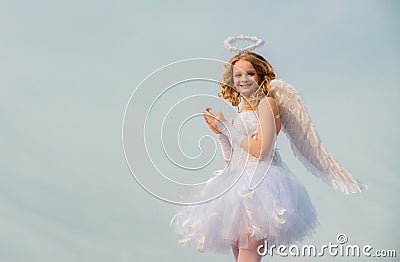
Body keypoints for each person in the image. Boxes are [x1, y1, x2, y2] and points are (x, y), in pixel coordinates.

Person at [171, 36, 366, 262]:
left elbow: (261, 151)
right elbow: (233, 159)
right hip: (235, 183)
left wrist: (227, 127)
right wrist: (220, 134)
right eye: (238, 75)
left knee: (248, 253)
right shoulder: (240, 111)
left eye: (250, 73)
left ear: (261, 76)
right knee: (239, 252)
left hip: (261, 185)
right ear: (232, 81)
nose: (244, 79)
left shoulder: (267, 103)